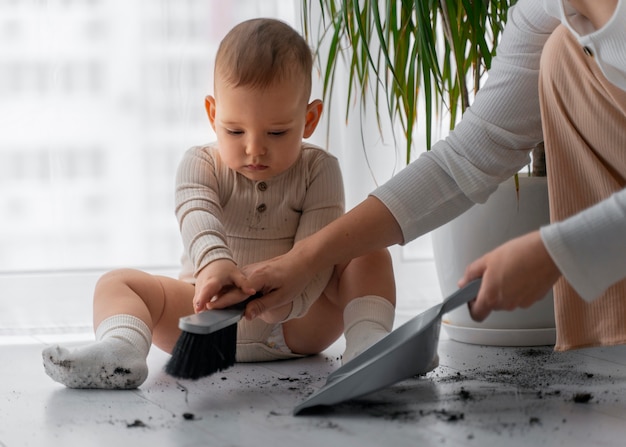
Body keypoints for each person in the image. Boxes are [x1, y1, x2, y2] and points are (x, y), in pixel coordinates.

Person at [209, 0, 626, 353]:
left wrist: (556, 253)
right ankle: (609, 346)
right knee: (562, 54)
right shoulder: (544, 9)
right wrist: (303, 260)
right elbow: (467, 158)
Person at [41, 18, 396, 389]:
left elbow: (316, 253)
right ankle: (121, 350)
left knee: (368, 251)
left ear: (308, 120)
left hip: (297, 323)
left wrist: (285, 302)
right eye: (235, 130)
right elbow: (197, 214)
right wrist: (214, 264)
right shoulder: (199, 163)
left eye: (277, 132)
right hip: (202, 317)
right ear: (213, 115)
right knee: (115, 283)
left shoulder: (319, 170)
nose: (254, 148)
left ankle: (368, 344)